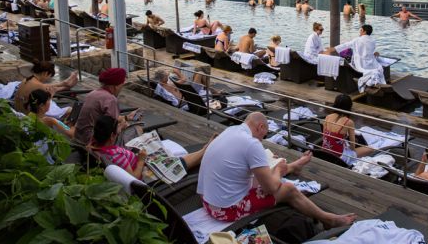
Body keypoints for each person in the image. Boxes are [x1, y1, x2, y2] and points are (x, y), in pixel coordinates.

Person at [197, 112, 356, 227]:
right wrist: (279, 171)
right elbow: (271, 188)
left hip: (207, 199)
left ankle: (294, 166)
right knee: (288, 189)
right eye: (264, 135)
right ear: (260, 127)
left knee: (263, 173)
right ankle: (328, 219)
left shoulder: (231, 131)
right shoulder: (252, 144)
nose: (262, 139)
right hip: (224, 209)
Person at [91, 114, 209, 179]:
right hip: (145, 173)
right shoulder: (116, 156)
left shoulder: (94, 148)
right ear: (112, 136)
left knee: (167, 151)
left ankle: (204, 150)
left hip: (138, 162)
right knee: (179, 162)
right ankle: (205, 151)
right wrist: (141, 160)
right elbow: (134, 178)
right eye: (117, 129)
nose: (119, 131)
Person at [74, 68, 140, 146]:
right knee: (137, 129)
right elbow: (112, 131)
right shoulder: (111, 99)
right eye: (122, 85)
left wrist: (126, 118)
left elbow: (106, 118)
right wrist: (122, 126)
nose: (122, 88)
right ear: (116, 86)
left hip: (79, 137)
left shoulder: (93, 93)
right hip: (93, 142)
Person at [13, 60, 78, 118]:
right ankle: (65, 83)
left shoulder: (27, 80)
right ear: (46, 73)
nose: (48, 79)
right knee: (70, 109)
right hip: (27, 115)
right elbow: (47, 104)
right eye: (49, 77)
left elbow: (46, 87)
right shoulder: (38, 85)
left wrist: (64, 85)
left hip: (19, 110)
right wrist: (53, 94)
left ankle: (65, 83)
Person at [323, 95, 375, 165]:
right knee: (370, 149)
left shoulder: (328, 117)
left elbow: (325, 136)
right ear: (349, 107)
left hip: (325, 152)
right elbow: (352, 146)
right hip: (339, 157)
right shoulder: (348, 122)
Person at [331, 24, 385, 90]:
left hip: (361, 64)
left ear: (364, 32)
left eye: (361, 30)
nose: (360, 32)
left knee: (366, 71)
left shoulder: (357, 40)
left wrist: (332, 49)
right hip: (371, 63)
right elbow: (372, 51)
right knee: (377, 69)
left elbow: (345, 45)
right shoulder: (373, 40)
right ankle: (375, 82)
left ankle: (369, 83)